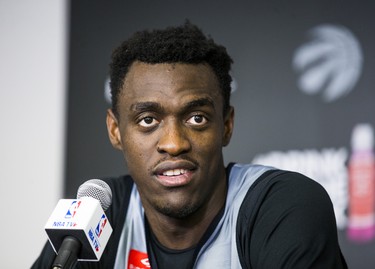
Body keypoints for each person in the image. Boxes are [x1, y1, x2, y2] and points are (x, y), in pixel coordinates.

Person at [33, 21, 347, 269]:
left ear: (226, 126)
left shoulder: (281, 206)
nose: (173, 144)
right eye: (148, 120)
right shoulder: (99, 218)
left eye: (196, 118)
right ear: (116, 131)